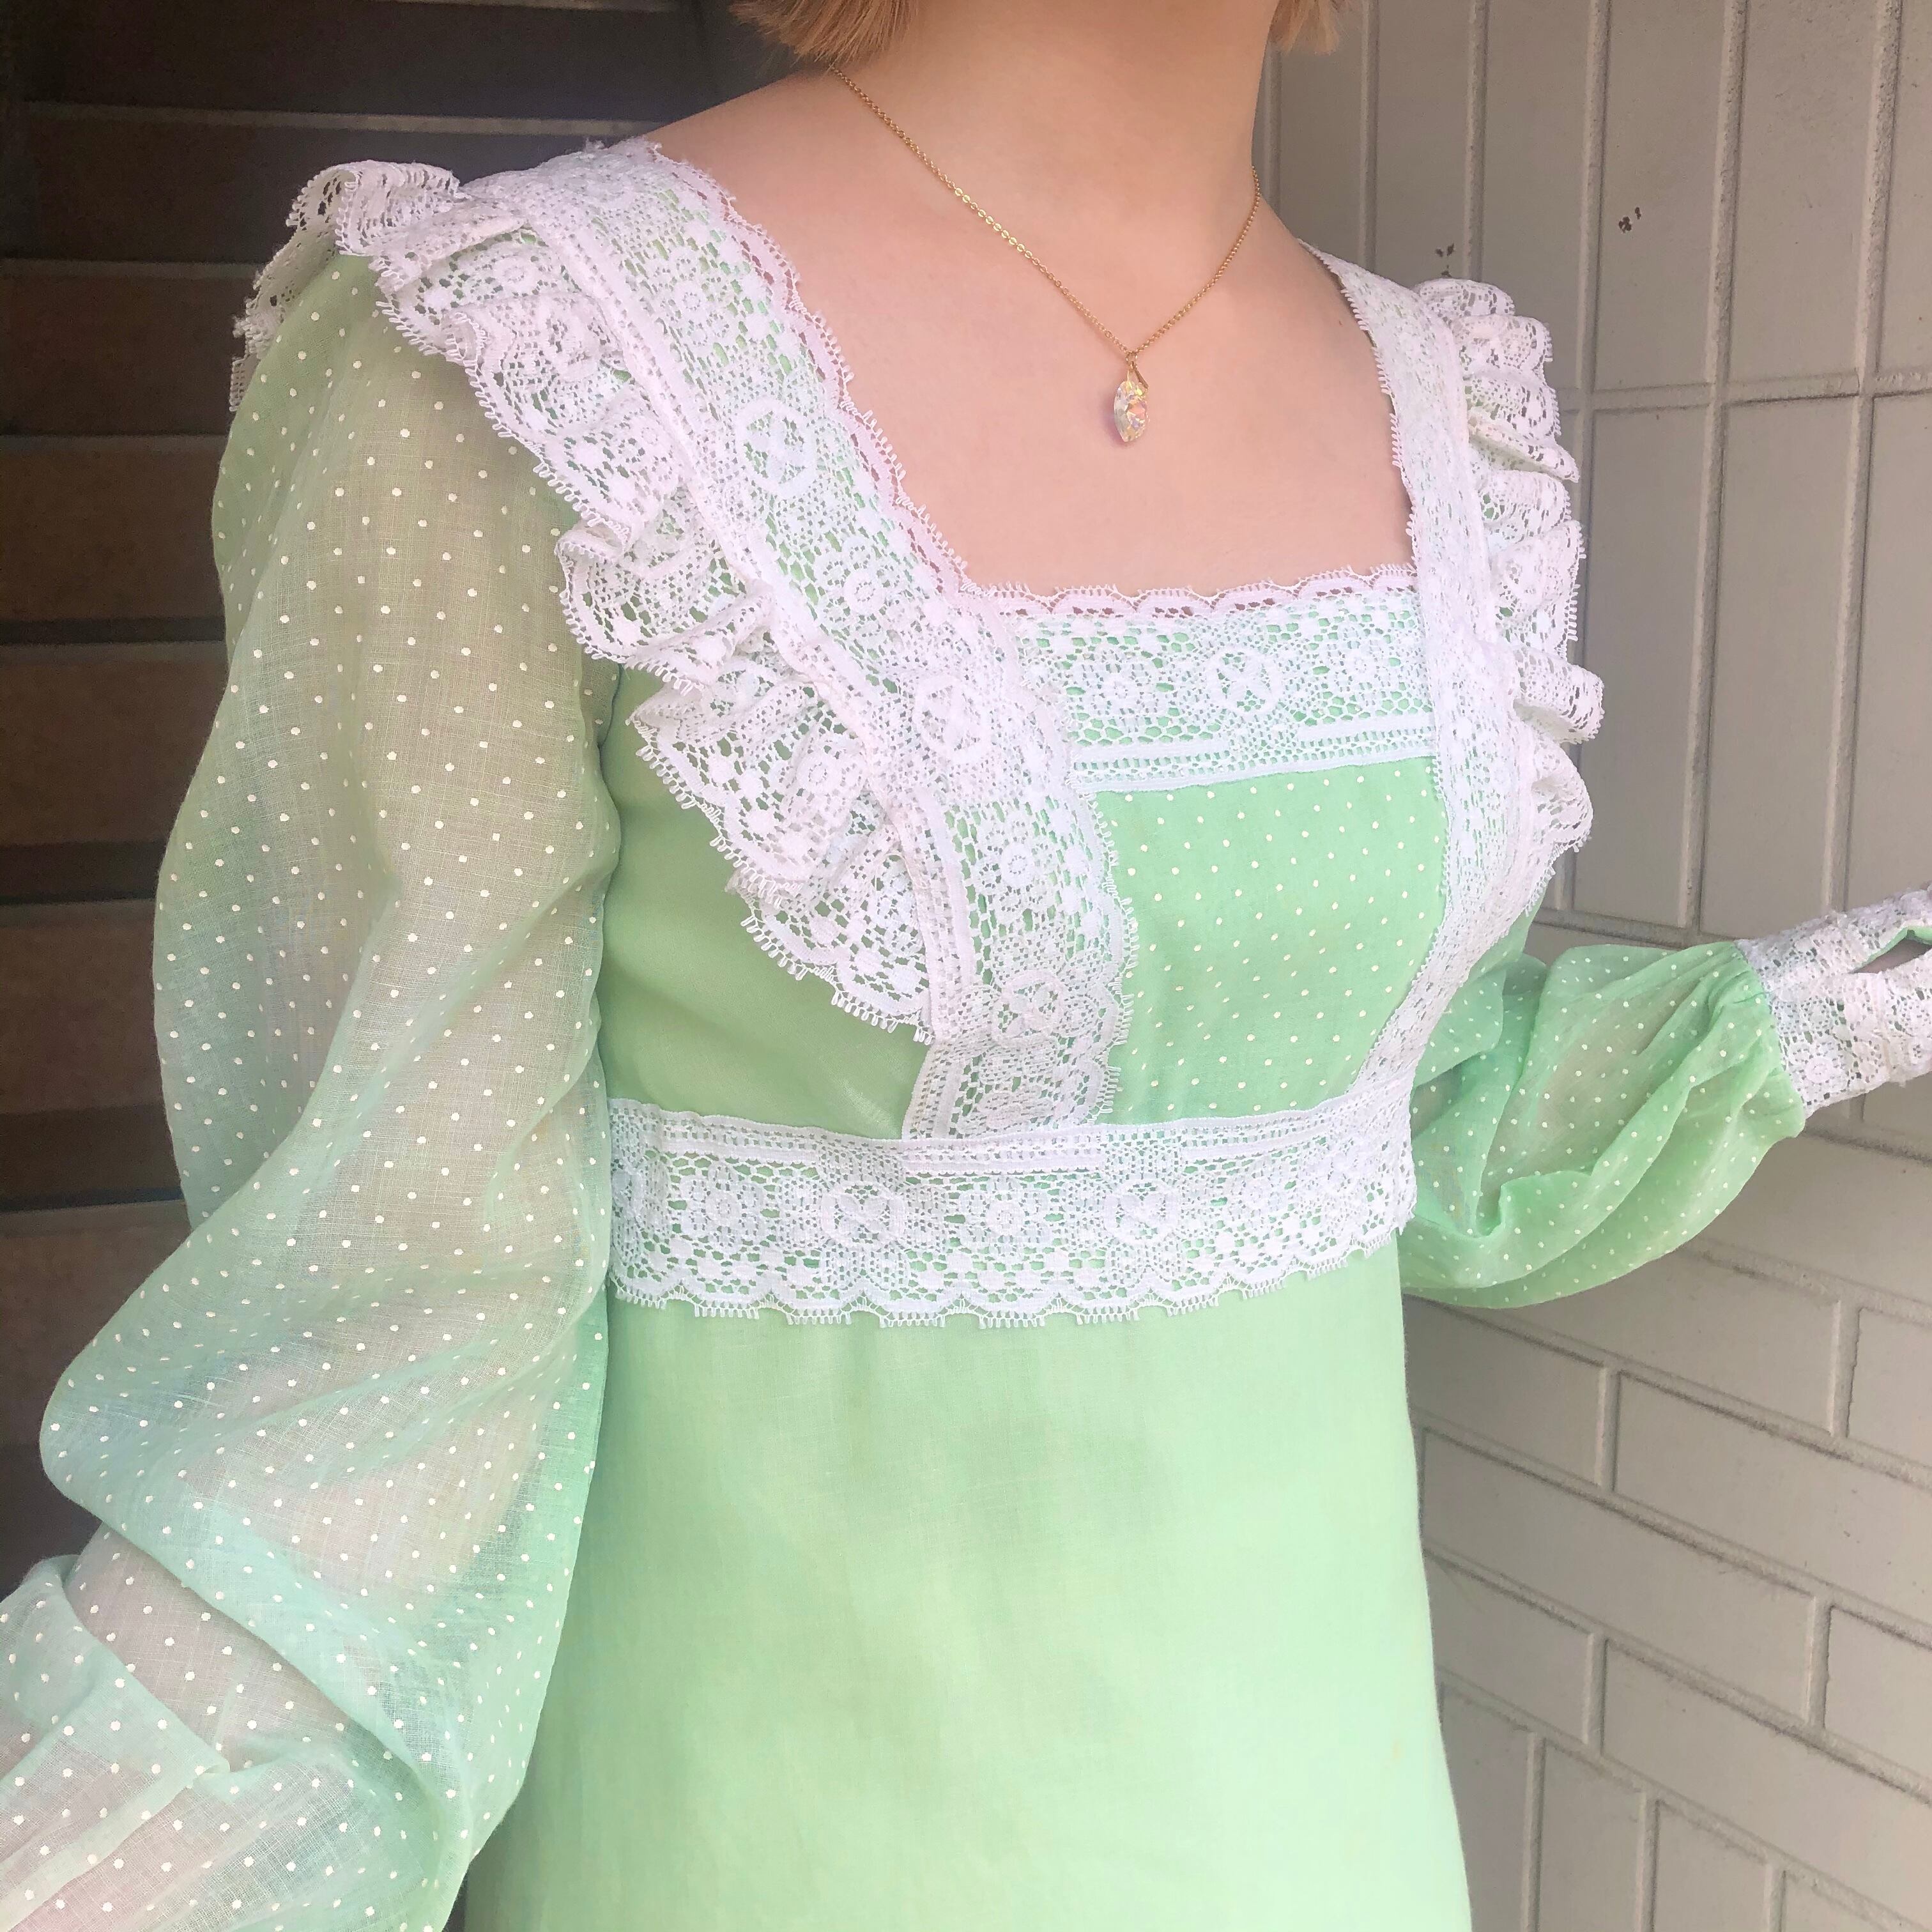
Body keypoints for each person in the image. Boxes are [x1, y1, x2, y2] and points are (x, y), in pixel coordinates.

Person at [4, 1, 1929, 1926]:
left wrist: (1834, 1010)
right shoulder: (524, 355)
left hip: (1326, 1823)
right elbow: (384, 1321)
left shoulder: (1448, 405)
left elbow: (1396, 1121)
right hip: (760, 1833)